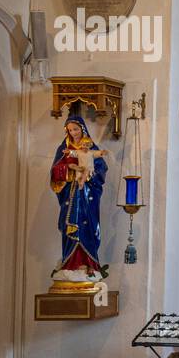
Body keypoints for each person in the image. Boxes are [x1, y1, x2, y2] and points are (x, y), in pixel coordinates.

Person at [50, 115, 107, 288]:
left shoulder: (90, 147)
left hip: (87, 195)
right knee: (69, 227)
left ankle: (89, 264)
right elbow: (55, 171)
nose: (73, 133)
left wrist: (90, 174)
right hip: (70, 195)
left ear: (82, 129)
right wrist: (69, 170)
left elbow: (101, 168)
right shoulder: (64, 148)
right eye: (70, 130)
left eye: (76, 129)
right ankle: (70, 264)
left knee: (87, 226)